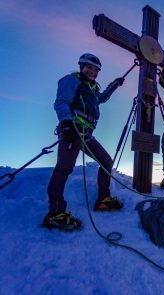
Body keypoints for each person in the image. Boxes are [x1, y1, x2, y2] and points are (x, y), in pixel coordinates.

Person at [43, 53, 125, 231]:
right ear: (81, 66)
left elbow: (100, 98)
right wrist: (66, 123)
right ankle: (55, 213)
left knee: (106, 161)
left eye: (96, 70)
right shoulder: (72, 81)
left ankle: (103, 199)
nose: (93, 72)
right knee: (65, 167)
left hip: (85, 133)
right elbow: (62, 102)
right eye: (89, 68)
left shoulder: (92, 88)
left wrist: (115, 85)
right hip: (72, 130)